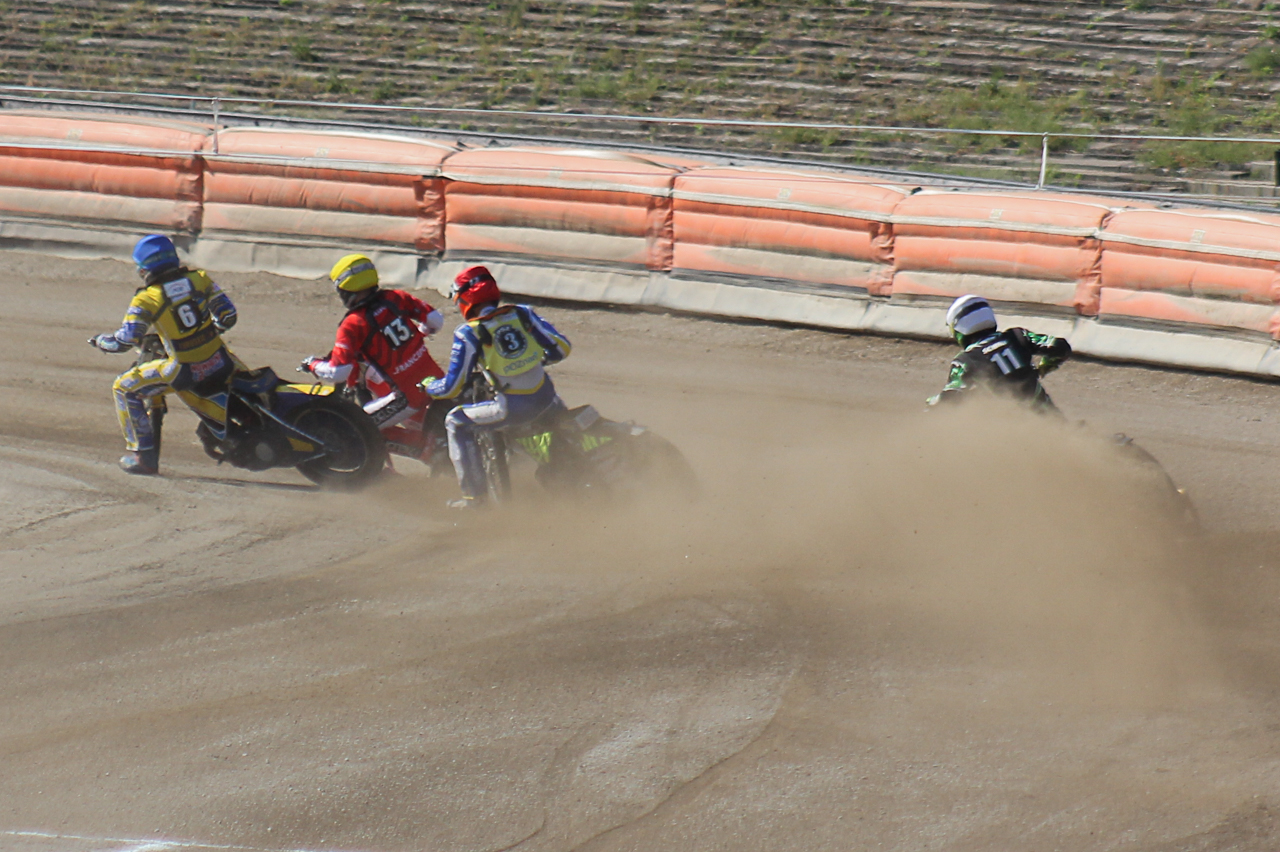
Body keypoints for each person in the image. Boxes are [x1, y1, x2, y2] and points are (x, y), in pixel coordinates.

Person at [424, 265, 572, 509]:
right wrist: (533, 361)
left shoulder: (468, 333)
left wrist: (430, 386)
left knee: (455, 422)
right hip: (548, 397)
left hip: (514, 408)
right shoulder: (522, 313)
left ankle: (475, 499)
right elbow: (562, 349)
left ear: (464, 300)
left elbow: (452, 387)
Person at [88, 234, 238, 475]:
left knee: (123, 388)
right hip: (221, 361)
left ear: (144, 269)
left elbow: (125, 341)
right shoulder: (200, 279)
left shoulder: (147, 299)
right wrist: (209, 331)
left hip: (184, 371)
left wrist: (100, 341)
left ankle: (143, 456)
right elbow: (228, 316)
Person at [299, 253, 448, 465]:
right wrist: (419, 334)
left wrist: (312, 364)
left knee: (357, 426)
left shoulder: (352, 324)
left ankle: (425, 451)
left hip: (408, 397)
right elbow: (435, 321)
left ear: (346, 289)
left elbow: (338, 372)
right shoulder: (395, 297)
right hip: (437, 381)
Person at [927, 294, 1071, 412]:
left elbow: (951, 395)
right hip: (1048, 416)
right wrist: (1046, 366)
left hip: (1009, 423)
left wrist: (932, 403)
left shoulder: (965, 361)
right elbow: (1059, 346)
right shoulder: (1017, 336)